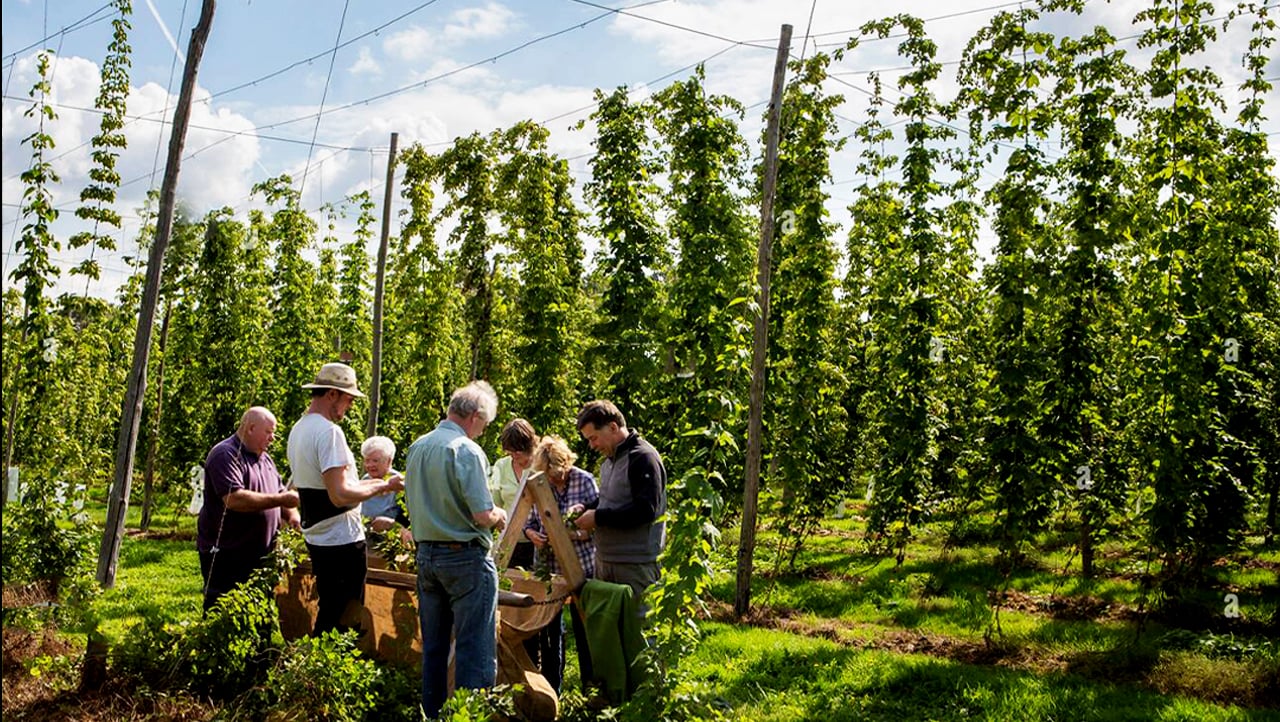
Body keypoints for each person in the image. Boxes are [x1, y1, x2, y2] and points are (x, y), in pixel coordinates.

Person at [403, 380, 507, 719]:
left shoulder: (418, 446)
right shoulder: (465, 449)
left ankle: (430, 715)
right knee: (473, 649)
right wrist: (499, 514)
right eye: (485, 426)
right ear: (475, 416)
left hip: (426, 557)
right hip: (464, 557)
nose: (482, 433)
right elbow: (481, 513)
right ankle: (469, 716)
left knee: (433, 648)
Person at [287, 362, 403, 636]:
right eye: (348, 399)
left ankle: (311, 672)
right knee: (342, 620)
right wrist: (383, 488)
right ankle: (319, 675)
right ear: (332, 394)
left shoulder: (299, 429)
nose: (349, 406)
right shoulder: (329, 432)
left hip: (319, 537)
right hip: (342, 541)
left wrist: (378, 483)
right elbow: (339, 495)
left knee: (330, 609)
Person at [196, 406, 300, 612]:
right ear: (251, 428)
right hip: (228, 554)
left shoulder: (265, 458)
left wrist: (292, 515)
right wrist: (282, 498)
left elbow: (281, 496)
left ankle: (259, 644)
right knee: (224, 609)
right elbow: (234, 499)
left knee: (257, 610)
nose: (272, 438)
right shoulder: (225, 455)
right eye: (269, 432)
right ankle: (216, 644)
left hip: (260, 554)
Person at [572, 400, 667, 613]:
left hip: (634, 566)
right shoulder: (609, 462)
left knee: (638, 634)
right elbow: (611, 500)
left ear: (613, 427)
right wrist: (587, 507)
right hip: (605, 561)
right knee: (610, 632)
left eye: (594, 438)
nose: (592, 445)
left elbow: (645, 510)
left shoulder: (642, 457)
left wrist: (597, 518)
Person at [522, 435, 599, 693]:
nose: (554, 481)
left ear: (565, 464)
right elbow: (530, 522)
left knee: (586, 626)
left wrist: (569, 533)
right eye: (548, 476)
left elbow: (598, 527)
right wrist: (532, 534)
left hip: (581, 565)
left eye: (557, 475)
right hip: (549, 567)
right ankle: (552, 689)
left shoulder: (585, 481)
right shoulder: (539, 482)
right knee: (550, 629)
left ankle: (592, 686)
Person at [489, 418, 538, 569]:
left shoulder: (541, 464)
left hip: (538, 542)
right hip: (510, 542)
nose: (514, 456)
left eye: (517, 451)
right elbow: (494, 503)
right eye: (510, 452)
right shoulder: (501, 466)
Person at [360, 435, 410, 543]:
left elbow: (410, 523)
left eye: (375, 460)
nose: (370, 465)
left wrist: (392, 524)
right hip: (365, 539)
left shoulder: (400, 484)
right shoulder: (365, 480)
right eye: (367, 460)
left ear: (389, 461)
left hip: (392, 542)